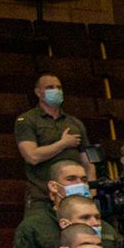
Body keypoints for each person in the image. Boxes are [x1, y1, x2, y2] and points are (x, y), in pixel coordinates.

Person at [12, 75, 89, 212]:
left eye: (59, 87)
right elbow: (32, 156)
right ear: (38, 92)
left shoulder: (74, 123)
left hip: (74, 194)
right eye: (50, 87)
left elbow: (88, 162)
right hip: (41, 196)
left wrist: (90, 191)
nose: (56, 91)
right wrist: (63, 143)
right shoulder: (27, 120)